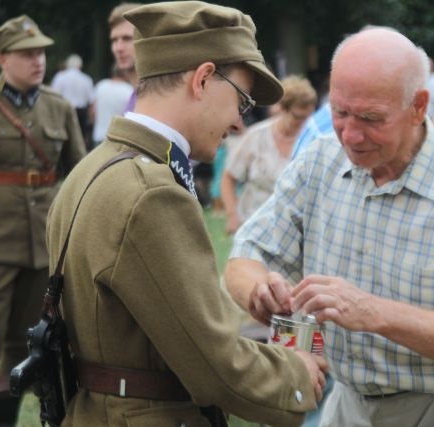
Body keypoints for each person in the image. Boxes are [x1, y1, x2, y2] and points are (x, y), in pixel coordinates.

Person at [225, 26, 434, 427]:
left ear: (419, 106)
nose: (350, 135)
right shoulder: (321, 160)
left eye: (371, 118)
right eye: (340, 112)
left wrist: (372, 312)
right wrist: (259, 292)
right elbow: (246, 255)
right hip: (351, 402)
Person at [46, 2, 327, 426]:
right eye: (241, 100)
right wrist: (297, 374)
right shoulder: (153, 194)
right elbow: (215, 366)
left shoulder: (93, 167)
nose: (237, 122)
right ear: (202, 80)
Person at [0, 15, 86, 425]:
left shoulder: (59, 107)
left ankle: (6, 417)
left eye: (41, 52)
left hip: (44, 241)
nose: (38, 61)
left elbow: (78, 172)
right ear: (2, 58)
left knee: (30, 340)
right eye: (27, 54)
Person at [221, 75, 316, 234]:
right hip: (254, 228)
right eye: (298, 117)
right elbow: (228, 177)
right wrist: (232, 215)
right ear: (283, 109)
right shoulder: (256, 136)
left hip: (295, 232)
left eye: (309, 117)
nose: (305, 123)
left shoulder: (313, 141)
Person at [51, 53, 95, 148]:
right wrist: (91, 118)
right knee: (80, 141)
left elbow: (53, 97)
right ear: (80, 65)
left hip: (63, 111)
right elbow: (91, 101)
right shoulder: (86, 79)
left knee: (64, 139)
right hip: (81, 113)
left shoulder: (60, 77)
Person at [107, 3, 141, 112]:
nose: (118, 48)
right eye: (114, 40)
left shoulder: (157, 96)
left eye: (127, 38)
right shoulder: (134, 95)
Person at [90, 64, 133, 147]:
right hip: (117, 138)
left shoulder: (101, 85)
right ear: (126, 73)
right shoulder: (129, 90)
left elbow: (92, 111)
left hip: (99, 135)